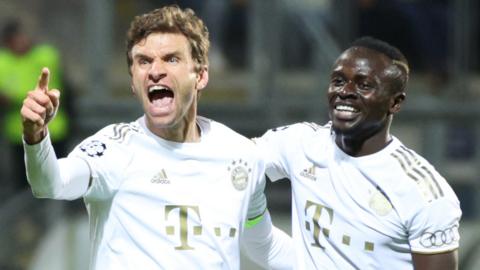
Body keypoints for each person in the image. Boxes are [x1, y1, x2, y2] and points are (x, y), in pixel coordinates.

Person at [21, 5, 292, 270]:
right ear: (132, 81)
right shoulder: (114, 149)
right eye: (144, 61)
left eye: (171, 59)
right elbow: (51, 183)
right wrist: (36, 137)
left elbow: (261, 240)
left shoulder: (241, 155)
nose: (155, 71)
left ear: (200, 75)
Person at [255, 36, 462, 269]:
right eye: (338, 80)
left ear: (395, 103)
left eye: (364, 85)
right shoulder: (299, 144)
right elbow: (230, 161)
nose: (346, 91)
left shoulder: (423, 192)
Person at [0, 19, 70, 194]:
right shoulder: (3, 61)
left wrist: (18, 96)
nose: (22, 41)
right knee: (25, 185)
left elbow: (54, 87)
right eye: (16, 38)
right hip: (19, 133)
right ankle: (30, 221)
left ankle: (54, 218)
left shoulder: (46, 55)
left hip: (54, 129)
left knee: (57, 179)